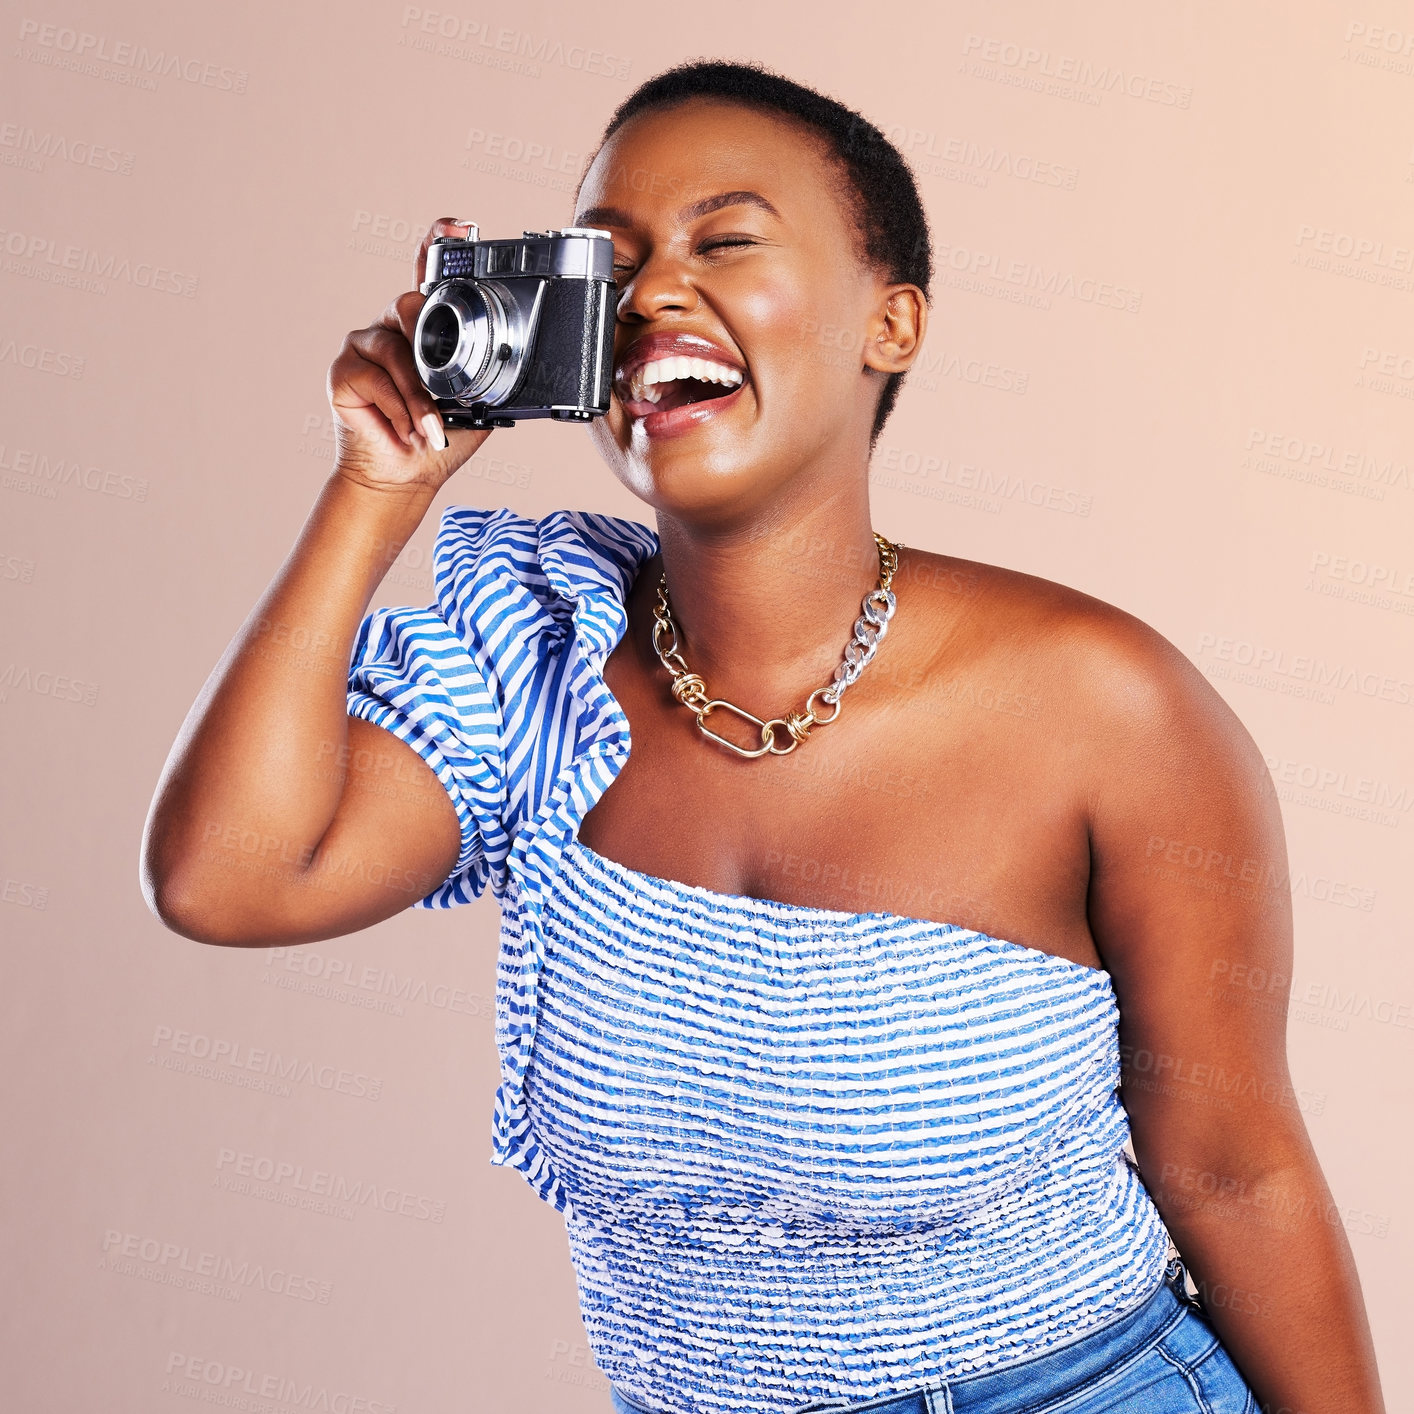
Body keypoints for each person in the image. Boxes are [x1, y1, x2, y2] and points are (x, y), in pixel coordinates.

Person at [142, 59, 1385, 1414]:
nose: (655, 294)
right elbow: (227, 875)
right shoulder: (534, 668)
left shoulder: (1104, 707)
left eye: (723, 240)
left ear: (890, 322)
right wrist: (374, 488)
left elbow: (1232, 1167)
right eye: (608, 267)